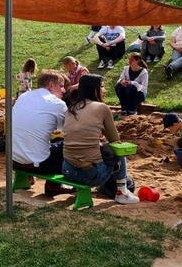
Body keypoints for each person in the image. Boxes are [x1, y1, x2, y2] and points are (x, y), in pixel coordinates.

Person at [62, 74, 139, 203]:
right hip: (91, 175)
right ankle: (122, 192)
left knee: (98, 148)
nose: (105, 90)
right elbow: (115, 140)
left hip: (67, 171)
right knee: (119, 150)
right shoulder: (102, 108)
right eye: (102, 87)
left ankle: (110, 187)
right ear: (94, 89)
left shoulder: (71, 109)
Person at [11, 70, 73, 195]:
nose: (64, 90)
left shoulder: (24, 96)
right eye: (61, 86)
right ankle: (53, 186)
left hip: (13, 161)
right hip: (40, 165)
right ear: (51, 85)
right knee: (69, 144)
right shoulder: (57, 104)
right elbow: (69, 132)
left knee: (40, 138)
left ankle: (29, 176)